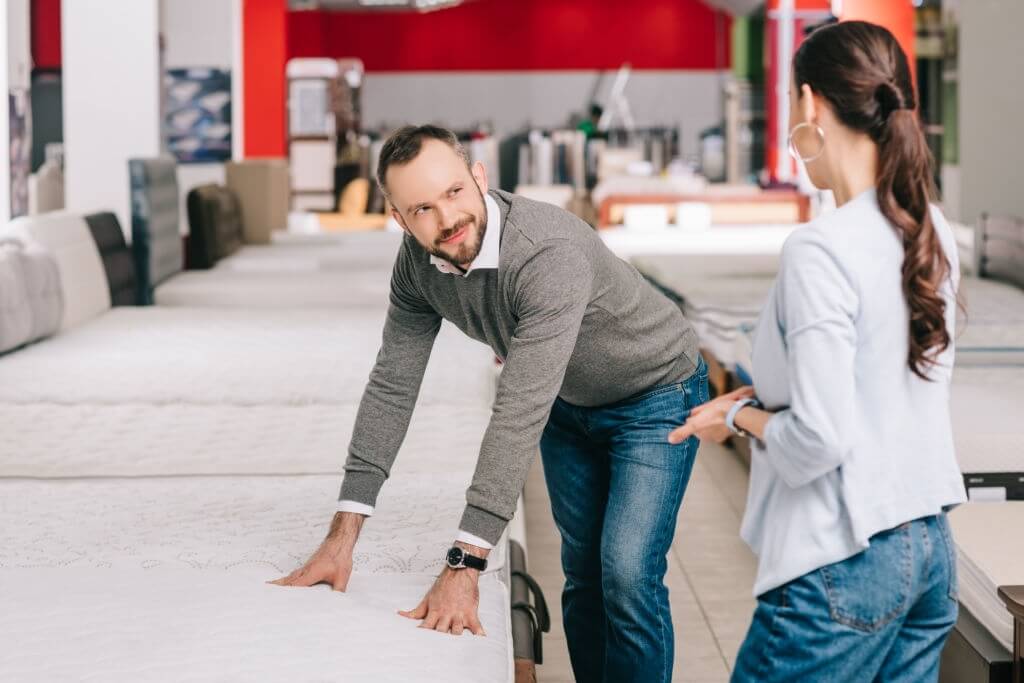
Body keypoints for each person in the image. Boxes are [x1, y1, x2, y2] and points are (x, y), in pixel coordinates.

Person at [273, 124, 708, 682]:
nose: (447, 220)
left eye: (454, 192)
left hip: (655, 393)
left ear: (479, 177)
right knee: (582, 572)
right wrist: (342, 536)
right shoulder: (415, 267)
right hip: (569, 407)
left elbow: (519, 409)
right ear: (399, 218)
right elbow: (393, 383)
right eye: (422, 208)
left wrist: (464, 563)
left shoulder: (546, 252)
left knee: (625, 572)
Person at [669, 21, 965, 682]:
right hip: (928, 549)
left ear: (809, 105)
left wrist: (737, 418)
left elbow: (820, 439)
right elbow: (885, 385)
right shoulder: (932, 229)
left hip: (845, 550)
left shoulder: (820, 248)